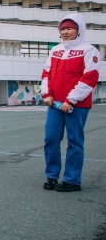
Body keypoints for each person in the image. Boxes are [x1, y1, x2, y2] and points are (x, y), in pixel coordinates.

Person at [41, 13, 100, 192]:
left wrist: (71, 100)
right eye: (63, 29)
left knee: (74, 142)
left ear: (79, 30)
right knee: (51, 139)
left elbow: (90, 78)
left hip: (77, 105)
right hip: (55, 104)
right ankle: (52, 176)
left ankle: (72, 180)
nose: (65, 32)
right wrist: (46, 94)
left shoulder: (89, 50)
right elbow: (46, 73)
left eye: (69, 29)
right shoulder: (55, 50)